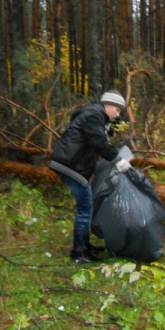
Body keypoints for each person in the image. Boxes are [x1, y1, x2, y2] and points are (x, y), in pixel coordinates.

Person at [49, 90, 133, 264]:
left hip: (72, 163)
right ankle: (79, 253)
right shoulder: (93, 115)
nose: (117, 115)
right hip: (70, 165)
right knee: (85, 206)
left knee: (86, 205)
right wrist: (118, 160)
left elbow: (96, 141)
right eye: (117, 110)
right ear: (108, 105)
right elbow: (98, 143)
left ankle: (84, 246)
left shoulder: (95, 116)